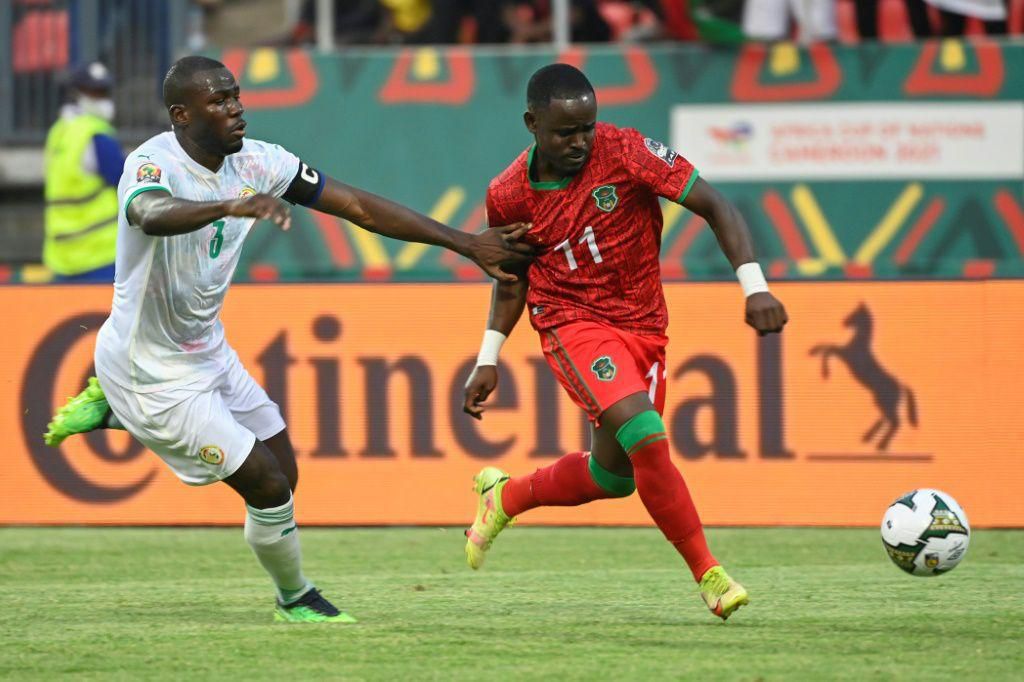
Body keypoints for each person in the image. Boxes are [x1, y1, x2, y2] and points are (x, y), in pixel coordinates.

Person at [43, 55, 532, 623]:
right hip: (149, 367)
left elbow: (355, 206)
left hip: (207, 350)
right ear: (181, 114)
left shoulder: (260, 161)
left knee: (285, 473)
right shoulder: (152, 164)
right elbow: (150, 214)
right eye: (219, 101)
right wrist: (227, 204)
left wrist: (464, 243)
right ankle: (295, 598)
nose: (236, 108)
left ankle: (115, 409)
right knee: (267, 486)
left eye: (236, 95)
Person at [461, 64, 788, 620]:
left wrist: (753, 286)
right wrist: (488, 355)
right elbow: (512, 279)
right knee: (647, 434)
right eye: (565, 132)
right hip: (570, 321)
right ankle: (710, 574)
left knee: (614, 477)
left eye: (586, 127)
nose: (580, 141)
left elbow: (716, 205)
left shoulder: (627, 152)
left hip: (644, 326)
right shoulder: (509, 193)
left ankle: (505, 496)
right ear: (532, 124)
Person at [43, 62, 126, 282]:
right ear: (77, 94)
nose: (102, 98)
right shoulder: (96, 135)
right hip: (101, 254)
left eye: (104, 92)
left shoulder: (58, 131)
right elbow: (125, 184)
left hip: (62, 256)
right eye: (95, 92)